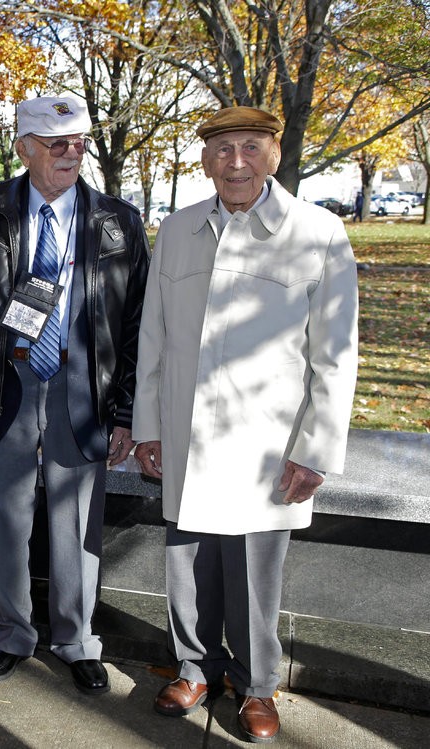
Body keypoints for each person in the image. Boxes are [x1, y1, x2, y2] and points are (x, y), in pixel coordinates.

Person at [132, 107, 358, 743]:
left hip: (269, 442)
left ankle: (258, 687)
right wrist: (147, 425)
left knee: (257, 574)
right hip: (185, 433)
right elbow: (154, 335)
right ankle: (195, 669)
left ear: (274, 154)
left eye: (250, 147)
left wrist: (315, 449)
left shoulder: (318, 232)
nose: (236, 161)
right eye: (222, 148)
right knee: (187, 566)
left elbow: (336, 354)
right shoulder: (177, 230)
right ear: (205, 159)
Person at [0, 96, 150, 695]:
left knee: (76, 518)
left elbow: (138, 322)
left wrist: (129, 408)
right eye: (54, 141)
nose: (70, 150)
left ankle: (77, 640)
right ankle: (11, 634)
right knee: (4, 516)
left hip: (86, 384)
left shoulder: (118, 220)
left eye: (79, 140)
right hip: (5, 381)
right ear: (24, 146)